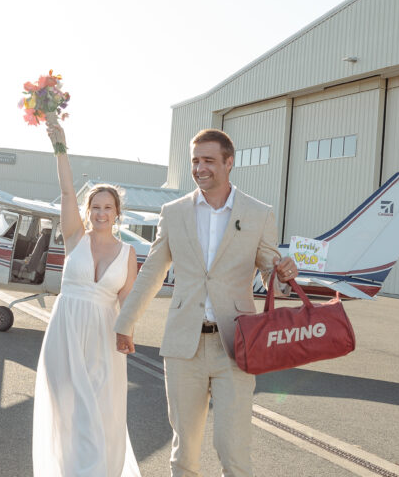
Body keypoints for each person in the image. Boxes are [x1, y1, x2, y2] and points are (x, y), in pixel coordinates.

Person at [114, 128, 298, 477]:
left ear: (229, 163)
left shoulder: (259, 213)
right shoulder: (173, 212)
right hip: (184, 346)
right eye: (195, 161)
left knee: (233, 451)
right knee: (184, 452)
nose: (200, 168)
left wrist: (284, 275)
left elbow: (270, 273)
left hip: (237, 347)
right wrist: (126, 322)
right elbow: (152, 271)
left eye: (209, 161)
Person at [32, 113, 141, 477]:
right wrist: (59, 146)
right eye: (95, 207)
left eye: (108, 207)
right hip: (65, 333)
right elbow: (66, 191)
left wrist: (127, 333)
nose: (101, 213)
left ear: (117, 213)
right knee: (68, 411)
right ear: (87, 210)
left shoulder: (128, 254)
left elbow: (128, 301)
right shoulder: (74, 238)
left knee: (99, 415)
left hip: (104, 340)